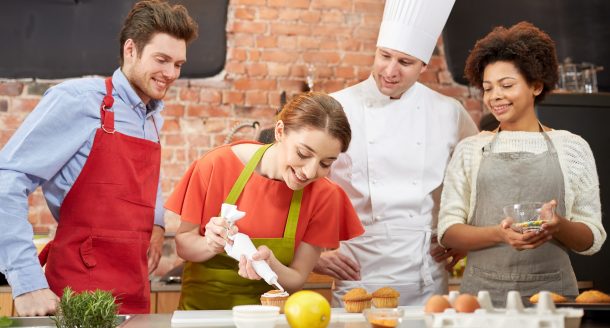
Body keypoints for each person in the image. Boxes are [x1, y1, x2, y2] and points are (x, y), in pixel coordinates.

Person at [0, 0, 198, 315]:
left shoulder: (151, 118)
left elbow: (146, 182)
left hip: (135, 292)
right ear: (131, 50)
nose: (171, 74)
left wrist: (157, 225)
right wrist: (27, 282)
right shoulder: (78, 101)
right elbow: (6, 180)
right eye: (162, 60)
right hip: (77, 296)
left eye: (178, 64)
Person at [313, 0, 479, 306]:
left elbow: (481, 177)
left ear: (424, 66)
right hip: (356, 272)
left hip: (425, 272)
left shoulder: (448, 112)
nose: (389, 71)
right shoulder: (334, 108)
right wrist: (313, 253)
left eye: (404, 62)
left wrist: (465, 238)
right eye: (384, 56)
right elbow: (300, 185)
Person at [438, 21, 606, 306]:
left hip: (553, 297)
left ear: (536, 85)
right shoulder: (470, 149)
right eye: (488, 88)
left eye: (507, 85)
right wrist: (500, 235)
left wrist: (558, 226)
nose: (495, 96)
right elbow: (448, 231)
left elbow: (591, 238)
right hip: (481, 299)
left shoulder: (572, 147)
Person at [165, 92, 365, 310]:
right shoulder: (216, 165)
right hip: (202, 316)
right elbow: (184, 243)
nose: (309, 172)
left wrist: (271, 264)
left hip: (269, 319)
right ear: (280, 131)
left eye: (325, 163)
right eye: (303, 153)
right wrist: (211, 244)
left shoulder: (325, 196)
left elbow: (297, 278)